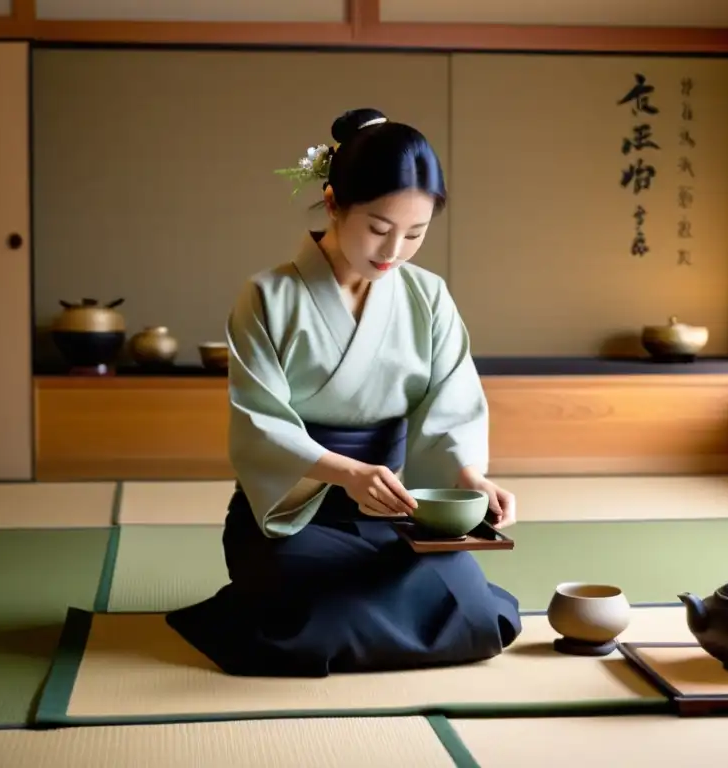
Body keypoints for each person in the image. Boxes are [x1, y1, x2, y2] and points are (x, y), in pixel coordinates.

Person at [165, 108, 523, 678]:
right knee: (314, 608)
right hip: (293, 513)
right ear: (333, 203)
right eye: (379, 228)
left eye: (416, 233)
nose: (395, 250)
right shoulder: (267, 296)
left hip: (397, 509)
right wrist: (347, 473)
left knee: (474, 612)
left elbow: (450, 403)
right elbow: (260, 424)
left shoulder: (427, 297)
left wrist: (467, 480)